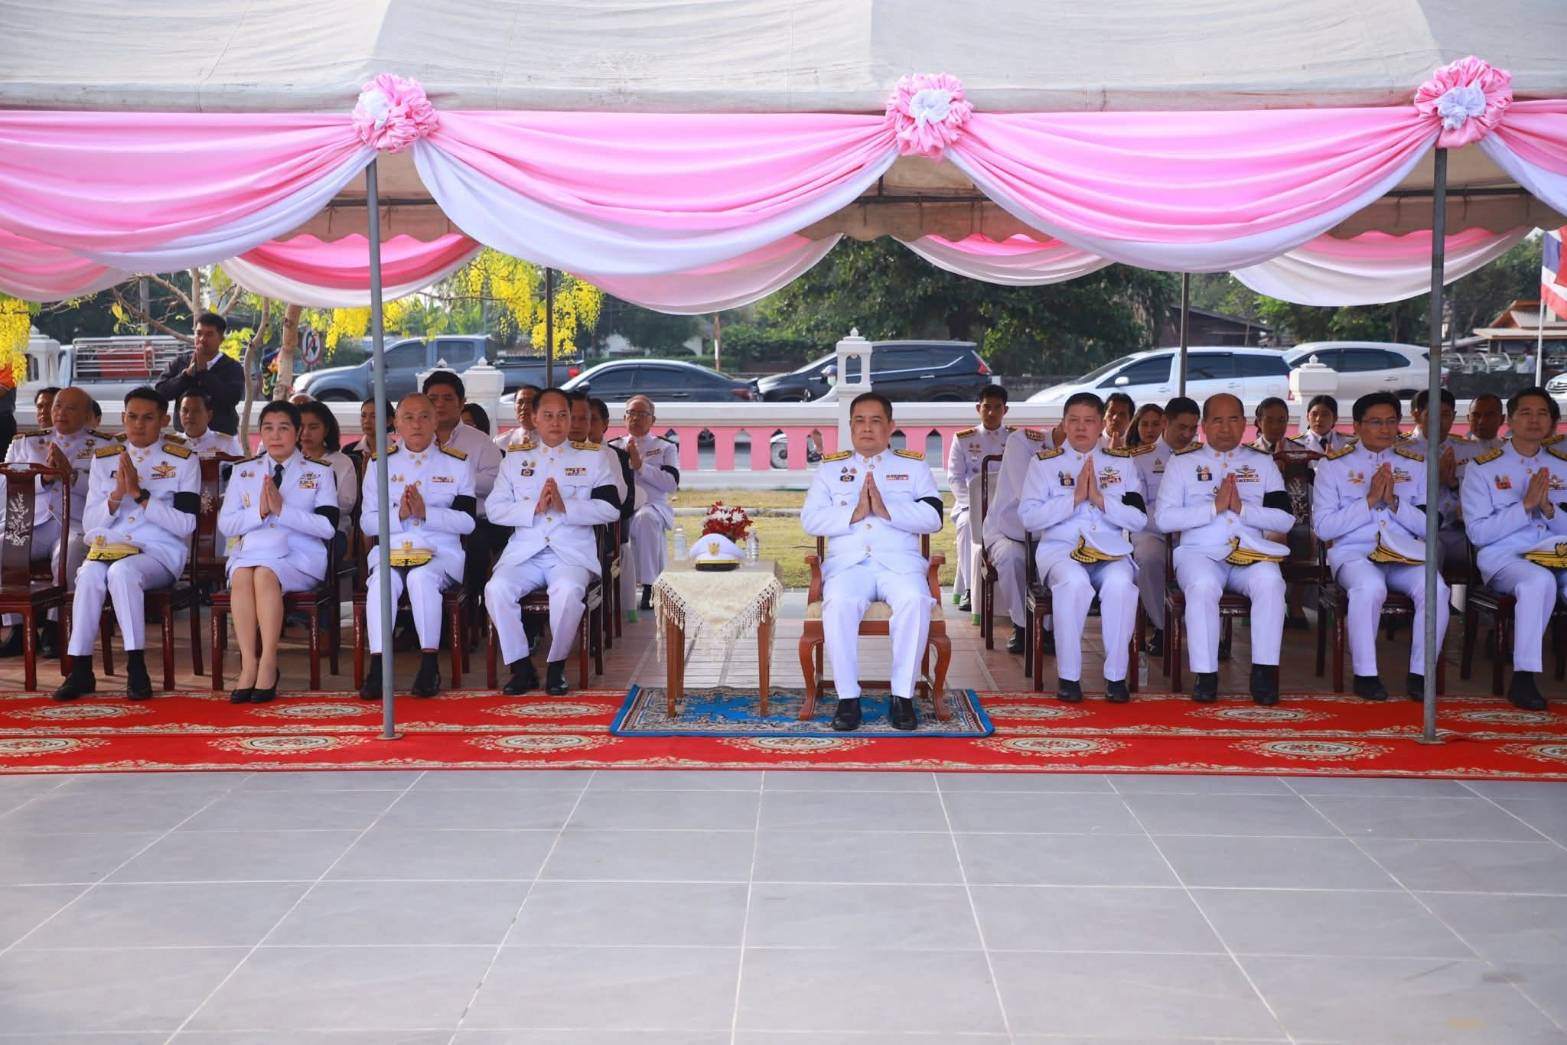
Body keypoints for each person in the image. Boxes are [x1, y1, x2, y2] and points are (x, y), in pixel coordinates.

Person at [802, 392, 942, 731]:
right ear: (850, 427)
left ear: (891, 427)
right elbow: (810, 519)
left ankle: (902, 697)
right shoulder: (830, 469)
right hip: (849, 566)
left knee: (915, 600)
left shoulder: (913, 466)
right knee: (839, 603)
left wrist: (886, 510)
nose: (867, 428)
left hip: (900, 565)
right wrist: (854, 513)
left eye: (876, 421)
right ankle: (848, 699)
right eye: (860, 421)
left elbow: (934, 517)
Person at [53, 388, 200, 701]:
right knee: (88, 575)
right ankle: (80, 669)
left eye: (148, 418)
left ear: (164, 421)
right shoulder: (104, 458)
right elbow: (91, 523)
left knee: (122, 573)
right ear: (123, 418)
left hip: (158, 552)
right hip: (111, 546)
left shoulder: (183, 461)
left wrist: (140, 496)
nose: (138, 425)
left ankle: (136, 666)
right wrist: (117, 496)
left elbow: (186, 524)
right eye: (132, 417)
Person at [1156, 394, 1297, 704]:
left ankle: (1264, 672)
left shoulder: (1262, 463)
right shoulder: (1182, 463)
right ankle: (1206, 675)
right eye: (1217, 420)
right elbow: (1165, 519)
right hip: (1199, 553)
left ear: (1244, 424)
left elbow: (1285, 519)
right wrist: (1214, 508)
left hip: (1251, 552)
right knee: (1203, 586)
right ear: (1204, 426)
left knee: (1271, 582)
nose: (1225, 428)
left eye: (1233, 419)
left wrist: (1243, 509)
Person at [1311, 392, 1448, 701]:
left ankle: (1421, 673)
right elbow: (1324, 528)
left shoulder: (1416, 464)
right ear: (1357, 426)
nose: (1385, 429)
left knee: (1436, 589)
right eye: (1375, 422)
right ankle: (1366, 674)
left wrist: (1395, 502)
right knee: (1369, 587)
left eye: (1391, 421)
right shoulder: (1333, 466)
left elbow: (1430, 526)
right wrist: (1370, 501)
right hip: (1354, 553)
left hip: (1404, 554)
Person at [485, 387, 620, 696]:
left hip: (569, 553)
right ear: (534, 419)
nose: (556, 422)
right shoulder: (515, 460)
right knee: (496, 589)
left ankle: (556, 666)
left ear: (571, 418)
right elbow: (494, 509)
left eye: (562, 415)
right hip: (526, 553)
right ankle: (521, 667)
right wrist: (533, 507)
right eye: (548, 415)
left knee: (568, 591)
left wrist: (566, 506)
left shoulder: (593, 458)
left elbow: (611, 508)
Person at [1018, 391, 1147, 704]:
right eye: (1073, 420)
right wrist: (1074, 499)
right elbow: (1029, 518)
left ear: (1101, 424)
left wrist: (1101, 501)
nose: (1080, 427)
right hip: (1061, 550)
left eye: (1089, 421)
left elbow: (1139, 519)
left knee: (1121, 585)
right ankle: (1069, 677)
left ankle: (1116, 677)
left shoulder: (1122, 463)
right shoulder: (1044, 464)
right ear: (1063, 423)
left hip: (1109, 551)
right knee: (1073, 583)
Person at [358, 393, 476, 700]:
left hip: (439, 552)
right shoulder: (380, 464)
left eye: (425, 417)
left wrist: (427, 513)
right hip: (393, 549)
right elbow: (368, 523)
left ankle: (429, 664)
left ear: (436, 421)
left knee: (422, 578)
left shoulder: (457, 463)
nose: (417, 424)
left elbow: (467, 522)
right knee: (382, 582)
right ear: (396, 424)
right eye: (408, 418)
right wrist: (398, 515)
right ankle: (378, 666)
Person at [217, 402, 338, 704]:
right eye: (268, 428)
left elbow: (327, 527)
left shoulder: (319, 472)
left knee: (265, 574)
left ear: (297, 432)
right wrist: (259, 512)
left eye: (283, 428)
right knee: (242, 575)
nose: (275, 435)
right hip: (252, 551)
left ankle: (269, 660)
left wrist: (282, 510)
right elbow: (226, 524)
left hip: (299, 555)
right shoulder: (244, 471)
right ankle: (249, 664)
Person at [1461, 387, 1567, 710]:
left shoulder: (1562, 465)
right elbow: (1478, 533)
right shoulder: (1483, 467)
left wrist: (1548, 510)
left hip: (1557, 552)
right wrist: (1525, 507)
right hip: (1506, 556)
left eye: (1542, 413)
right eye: (1526, 413)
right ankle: (1524, 678)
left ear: (1552, 421)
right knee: (1538, 581)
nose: (1534, 420)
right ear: (1509, 420)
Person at [0, 387, 114, 656]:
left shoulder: (105, 446)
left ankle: (56, 625)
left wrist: (69, 476)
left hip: (76, 523)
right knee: (3, 545)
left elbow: (108, 492)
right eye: (58, 406)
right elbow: (5, 486)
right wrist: (44, 478)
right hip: (32, 523)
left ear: (87, 415)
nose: (61, 412)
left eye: (71, 408)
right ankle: (17, 627)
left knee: (69, 551)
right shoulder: (26, 443)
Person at [424, 371, 504, 602]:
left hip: (475, 521)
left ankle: (469, 604)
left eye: (448, 398)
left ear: (461, 403)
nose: (440, 404)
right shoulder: (413, 441)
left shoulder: (480, 441)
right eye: (433, 398)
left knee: (476, 540)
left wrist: (452, 481)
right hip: (427, 519)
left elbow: (496, 481)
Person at [1131, 397, 1200, 658]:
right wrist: (1172, 525)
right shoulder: (1140, 458)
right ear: (1165, 423)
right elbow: (1138, 507)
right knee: (1149, 559)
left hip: (1194, 530)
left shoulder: (1202, 456)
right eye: (1182, 427)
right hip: (1153, 530)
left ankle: (1209, 632)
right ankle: (1163, 627)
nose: (1187, 435)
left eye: (1193, 428)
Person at [982, 424, 1056, 654]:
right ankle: (1022, 626)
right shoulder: (1023, 441)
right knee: (1011, 557)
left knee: (1058, 560)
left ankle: (1048, 628)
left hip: (1050, 531)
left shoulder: (1085, 452)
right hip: (1007, 528)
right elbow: (1027, 495)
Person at [945, 386, 1012, 614]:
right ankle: (969, 589)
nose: (991, 413)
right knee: (966, 525)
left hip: (1005, 506)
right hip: (971, 504)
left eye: (997, 408)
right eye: (986, 407)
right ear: (978, 408)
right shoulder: (963, 439)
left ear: (1005, 410)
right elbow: (955, 478)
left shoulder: (1015, 439)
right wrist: (972, 505)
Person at [610, 394, 679, 610]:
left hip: (653, 505)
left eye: (642, 414)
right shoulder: (612, 447)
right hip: (621, 507)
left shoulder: (665, 447)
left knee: (645, 518)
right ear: (624, 418)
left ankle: (649, 586)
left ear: (652, 420)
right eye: (631, 413)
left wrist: (640, 466)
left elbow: (671, 484)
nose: (636, 418)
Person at [1402, 388, 1482, 567]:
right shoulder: (1401, 452)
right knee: (1431, 552)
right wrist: (1435, 481)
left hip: (1461, 530)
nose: (1439, 421)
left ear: (1454, 416)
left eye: (1446, 414)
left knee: (1491, 550)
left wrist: (1454, 484)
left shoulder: (1471, 450)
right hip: (1418, 532)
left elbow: (1483, 494)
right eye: (1432, 414)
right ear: (1417, 416)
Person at [153, 312, 247, 435]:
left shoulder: (232, 367)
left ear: (221, 339)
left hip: (220, 436)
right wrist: (186, 376)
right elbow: (160, 392)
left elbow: (232, 398)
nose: (202, 339)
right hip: (184, 437)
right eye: (199, 333)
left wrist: (204, 373)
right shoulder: (181, 362)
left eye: (209, 334)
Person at [297, 401, 358, 560]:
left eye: (313, 427)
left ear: (326, 430)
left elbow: (346, 504)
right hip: (293, 528)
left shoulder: (342, 462)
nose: (305, 433)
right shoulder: (289, 460)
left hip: (331, 532)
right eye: (301, 426)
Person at [589, 396, 635, 546]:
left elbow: (626, 503)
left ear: (605, 423)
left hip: (607, 533)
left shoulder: (617, 455)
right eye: (578, 418)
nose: (586, 424)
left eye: (593, 419)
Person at [174, 391, 244, 457]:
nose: (189, 415)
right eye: (185, 410)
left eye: (196, 411)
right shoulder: (171, 444)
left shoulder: (227, 445)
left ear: (209, 415)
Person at [348, 397, 396, 465]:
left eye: (374, 416)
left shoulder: (398, 451)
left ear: (389, 421)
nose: (367, 421)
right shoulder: (349, 451)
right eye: (363, 416)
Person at [495, 384, 540, 450]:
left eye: (530, 402)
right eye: (520, 402)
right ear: (514, 407)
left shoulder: (553, 440)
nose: (524, 407)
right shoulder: (503, 442)